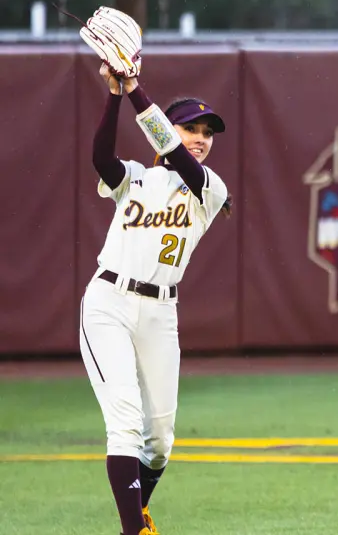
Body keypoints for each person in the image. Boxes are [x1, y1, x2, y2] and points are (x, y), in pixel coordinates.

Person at [82, 63, 231, 535]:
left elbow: (175, 155)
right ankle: (135, 531)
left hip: (160, 312)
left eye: (207, 132)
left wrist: (134, 89)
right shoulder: (134, 178)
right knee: (124, 423)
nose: (201, 138)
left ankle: (135, 512)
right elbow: (101, 157)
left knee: (160, 441)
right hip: (108, 302)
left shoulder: (210, 189)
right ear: (167, 130)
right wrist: (115, 93)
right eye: (191, 128)